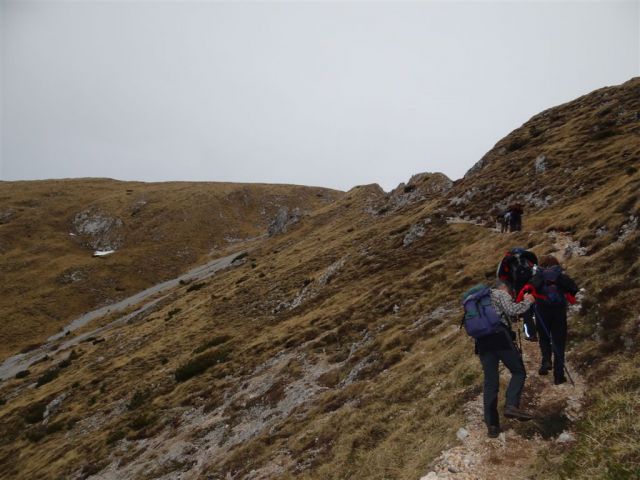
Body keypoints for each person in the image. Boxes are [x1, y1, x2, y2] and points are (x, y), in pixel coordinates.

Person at [476, 280, 535, 438]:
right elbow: (512, 310)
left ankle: (492, 426)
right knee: (518, 372)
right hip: (500, 338)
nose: (510, 295)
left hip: (482, 342)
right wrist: (527, 301)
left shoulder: (476, 299)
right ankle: (511, 405)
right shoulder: (500, 294)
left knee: (490, 382)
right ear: (503, 288)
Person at [530, 255, 579, 385]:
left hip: (542, 311)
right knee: (559, 342)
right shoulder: (559, 275)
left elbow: (530, 289)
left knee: (544, 337)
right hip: (559, 311)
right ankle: (558, 376)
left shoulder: (538, 275)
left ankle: (546, 361)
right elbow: (574, 288)